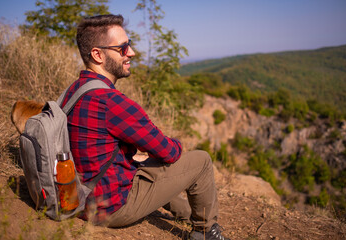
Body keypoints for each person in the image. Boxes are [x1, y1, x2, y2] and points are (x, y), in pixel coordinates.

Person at [61, 14, 229, 240]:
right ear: (97, 54)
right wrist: (176, 145)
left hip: (78, 197)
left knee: (142, 164)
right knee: (200, 162)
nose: (131, 52)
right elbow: (169, 153)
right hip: (109, 209)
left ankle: (186, 213)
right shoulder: (113, 103)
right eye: (123, 48)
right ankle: (205, 232)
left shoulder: (73, 92)